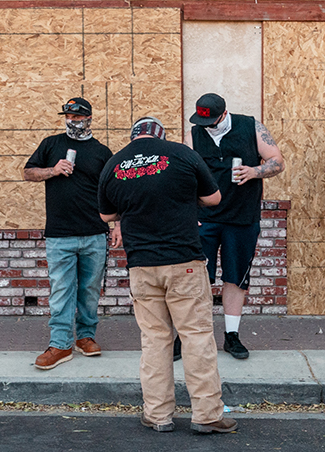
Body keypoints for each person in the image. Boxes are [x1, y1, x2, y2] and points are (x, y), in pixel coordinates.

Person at [98, 116, 233, 435]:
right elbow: (214, 199)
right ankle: (207, 415)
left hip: (141, 264)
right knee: (196, 336)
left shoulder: (114, 164)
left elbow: (105, 214)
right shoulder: (182, 154)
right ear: (161, 134)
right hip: (183, 260)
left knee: (155, 339)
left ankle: (157, 414)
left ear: (133, 138)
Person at [23, 97, 119, 370]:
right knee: (62, 289)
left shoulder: (102, 152)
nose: (72, 122)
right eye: (68, 117)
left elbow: (113, 193)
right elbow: (27, 173)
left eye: (78, 118)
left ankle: (86, 337)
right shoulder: (51, 144)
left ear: (89, 119)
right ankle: (61, 343)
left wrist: (118, 225)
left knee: (89, 290)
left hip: (94, 233)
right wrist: (53, 170)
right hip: (59, 233)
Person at [188, 92, 285, 359]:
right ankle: (191, 336)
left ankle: (232, 336)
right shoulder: (194, 135)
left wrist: (255, 171)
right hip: (204, 218)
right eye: (201, 122)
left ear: (223, 113)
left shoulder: (250, 126)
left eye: (211, 121)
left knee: (236, 277)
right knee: (197, 279)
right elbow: (185, 177)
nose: (206, 126)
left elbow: (278, 161)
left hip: (242, 217)